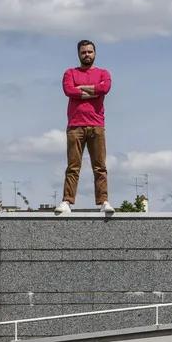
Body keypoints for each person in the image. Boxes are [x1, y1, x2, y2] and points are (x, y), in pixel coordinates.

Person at [56, 39, 113, 216]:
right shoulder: (70, 72)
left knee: (100, 166)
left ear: (94, 53)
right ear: (79, 54)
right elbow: (68, 90)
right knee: (73, 166)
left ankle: (103, 201)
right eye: (83, 52)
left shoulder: (104, 73)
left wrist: (82, 89)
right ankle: (67, 201)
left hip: (97, 125)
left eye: (89, 52)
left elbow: (105, 88)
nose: (86, 55)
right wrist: (92, 91)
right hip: (75, 125)